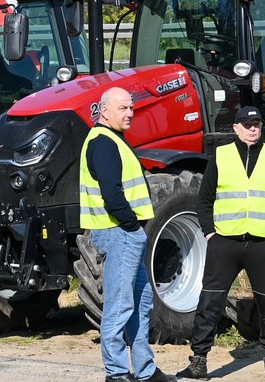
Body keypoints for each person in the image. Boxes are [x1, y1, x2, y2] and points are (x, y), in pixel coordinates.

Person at [179, 106, 265, 381]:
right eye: (247, 124)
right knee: (209, 302)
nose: (252, 128)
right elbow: (204, 200)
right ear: (235, 128)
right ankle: (198, 361)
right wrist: (210, 234)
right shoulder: (221, 156)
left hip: (262, 244)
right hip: (225, 243)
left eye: (256, 124)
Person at [79, 87, 175, 382]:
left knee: (141, 301)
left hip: (124, 232)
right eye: (123, 108)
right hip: (119, 232)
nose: (130, 113)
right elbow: (111, 192)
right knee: (120, 305)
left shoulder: (112, 140)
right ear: (104, 111)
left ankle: (145, 370)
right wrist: (132, 226)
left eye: (131, 107)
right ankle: (117, 373)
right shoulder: (104, 142)